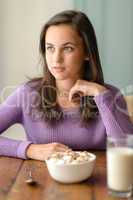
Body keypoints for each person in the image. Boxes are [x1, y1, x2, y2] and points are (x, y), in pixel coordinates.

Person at [0, 10, 133, 161]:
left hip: (97, 181)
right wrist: (30, 149)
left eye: (67, 48)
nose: (56, 59)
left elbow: (127, 149)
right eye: (50, 48)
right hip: (41, 181)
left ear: (87, 53)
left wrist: (100, 94)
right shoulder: (27, 94)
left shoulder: (109, 96)